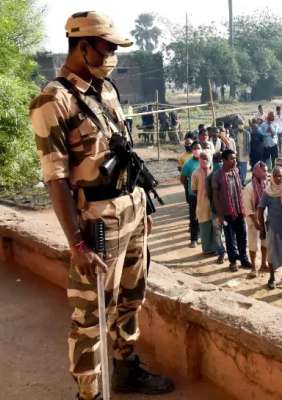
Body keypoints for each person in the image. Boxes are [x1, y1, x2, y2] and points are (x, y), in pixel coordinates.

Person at [29, 11, 174, 399]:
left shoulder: (106, 89)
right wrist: (77, 244)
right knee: (90, 315)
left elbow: (121, 152)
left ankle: (126, 367)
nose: (112, 55)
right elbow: (55, 176)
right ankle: (90, 393)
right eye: (107, 47)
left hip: (130, 208)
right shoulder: (53, 99)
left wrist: (140, 210)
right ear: (81, 45)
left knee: (131, 297)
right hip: (96, 222)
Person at [212, 150, 252, 272]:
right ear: (224, 160)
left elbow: (240, 190)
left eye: (235, 158)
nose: (234, 161)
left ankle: (244, 260)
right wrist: (220, 215)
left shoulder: (236, 171)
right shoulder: (217, 175)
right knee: (230, 238)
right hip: (226, 213)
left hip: (239, 210)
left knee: (242, 236)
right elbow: (215, 196)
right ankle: (233, 262)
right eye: (231, 159)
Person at [258, 166, 282, 290]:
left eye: (280, 175)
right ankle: (272, 277)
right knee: (271, 254)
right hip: (273, 229)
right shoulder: (268, 192)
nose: (278, 178)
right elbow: (260, 210)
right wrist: (262, 229)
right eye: (275, 175)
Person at [191, 152, 225, 263]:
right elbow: (194, 190)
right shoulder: (195, 173)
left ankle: (217, 248)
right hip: (202, 203)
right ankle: (207, 249)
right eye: (202, 159)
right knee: (205, 226)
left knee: (216, 227)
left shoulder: (214, 171)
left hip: (216, 205)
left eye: (206, 158)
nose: (204, 161)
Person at [243, 162, 269, 277]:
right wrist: (256, 222)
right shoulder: (249, 188)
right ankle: (253, 267)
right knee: (253, 243)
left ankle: (263, 264)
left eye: (267, 171)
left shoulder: (267, 185)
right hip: (253, 220)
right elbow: (248, 208)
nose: (266, 173)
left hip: (265, 217)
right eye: (264, 171)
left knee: (265, 241)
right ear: (257, 172)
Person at [181, 142, 202, 248]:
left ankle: (202, 236)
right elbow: (183, 178)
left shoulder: (206, 161)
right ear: (192, 150)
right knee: (194, 217)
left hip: (204, 194)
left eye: (198, 148)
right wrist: (189, 187)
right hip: (193, 194)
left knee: (204, 216)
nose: (197, 150)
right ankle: (193, 239)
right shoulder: (188, 164)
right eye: (195, 148)